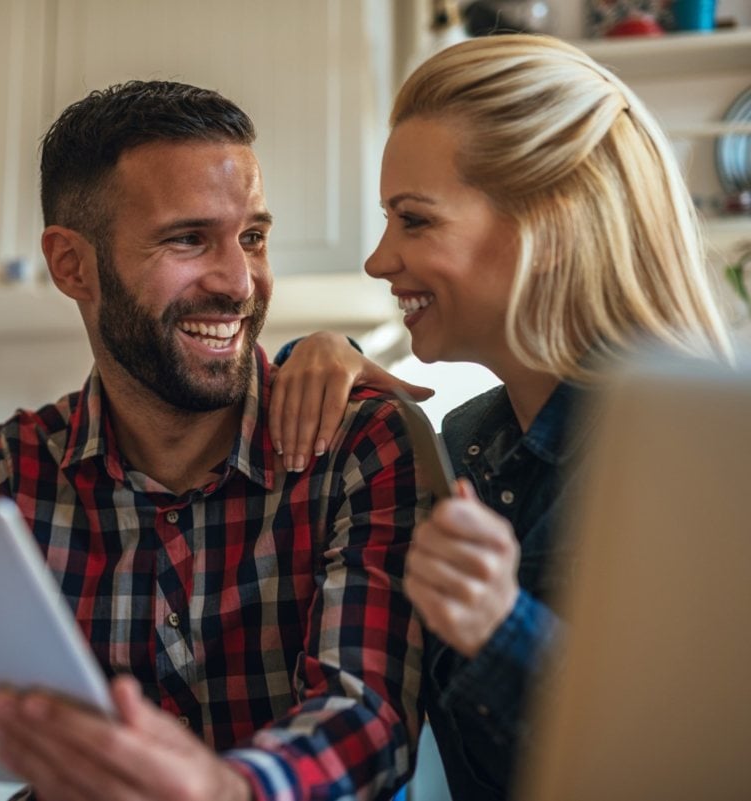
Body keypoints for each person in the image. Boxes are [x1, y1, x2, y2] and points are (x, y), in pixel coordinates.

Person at [0, 80, 427, 801]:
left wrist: (223, 788)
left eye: (254, 238)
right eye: (188, 238)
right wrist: (16, 658)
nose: (240, 283)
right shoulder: (3, 479)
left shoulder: (355, 443)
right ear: (73, 266)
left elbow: (371, 720)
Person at [271, 34, 734, 800]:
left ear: (547, 226)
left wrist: (502, 626)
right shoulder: (467, 441)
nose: (378, 260)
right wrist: (317, 353)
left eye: (414, 221)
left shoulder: (700, 461)